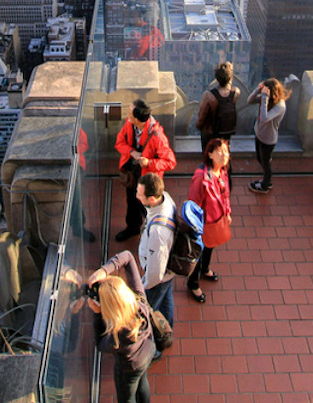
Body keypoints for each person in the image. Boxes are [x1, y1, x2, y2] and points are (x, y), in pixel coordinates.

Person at [87, 251, 155, 403]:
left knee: (127, 397)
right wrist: (105, 271)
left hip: (130, 367)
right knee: (143, 383)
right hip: (148, 350)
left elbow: (100, 344)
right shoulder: (140, 302)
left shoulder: (117, 337)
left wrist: (97, 314)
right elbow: (128, 257)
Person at [114, 99, 177, 242]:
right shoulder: (129, 124)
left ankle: (154, 233)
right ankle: (133, 228)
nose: (127, 115)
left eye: (130, 113)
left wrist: (149, 163)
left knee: (148, 207)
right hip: (133, 173)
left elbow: (170, 162)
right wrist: (131, 152)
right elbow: (119, 143)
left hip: (148, 179)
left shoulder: (157, 137)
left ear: (137, 119)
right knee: (131, 200)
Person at [186, 138, 231, 304]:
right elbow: (193, 203)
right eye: (219, 151)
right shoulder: (201, 177)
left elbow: (225, 195)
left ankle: (205, 269)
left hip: (216, 221)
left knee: (210, 246)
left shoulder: (222, 171)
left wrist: (227, 212)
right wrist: (195, 226)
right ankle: (193, 283)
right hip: (203, 223)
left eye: (226, 151)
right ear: (210, 154)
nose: (224, 155)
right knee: (198, 252)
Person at [136, 173, 176, 329]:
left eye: (140, 194)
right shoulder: (165, 198)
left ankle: (157, 342)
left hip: (158, 279)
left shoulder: (158, 233)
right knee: (166, 300)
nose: (137, 196)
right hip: (168, 273)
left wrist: (143, 286)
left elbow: (155, 274)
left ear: (151, 199)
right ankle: (168, 330)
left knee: (148, 311)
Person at [248, 78, 289, 194]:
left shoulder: (280, 105)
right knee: (259, 158)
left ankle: (265, 184)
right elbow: (249, 101)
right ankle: (267, 180)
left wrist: (265, 98)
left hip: (268, 139)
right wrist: (257, 90)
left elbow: (264, 118)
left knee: (266, 163)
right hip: (259, 133)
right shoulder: (265, 100)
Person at [196, 61, 240, 143]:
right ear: (231, 77)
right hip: (226, 133)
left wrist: (199, 127)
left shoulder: (209, 95)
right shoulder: (236, 93)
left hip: (211, 134)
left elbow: (200, 119)